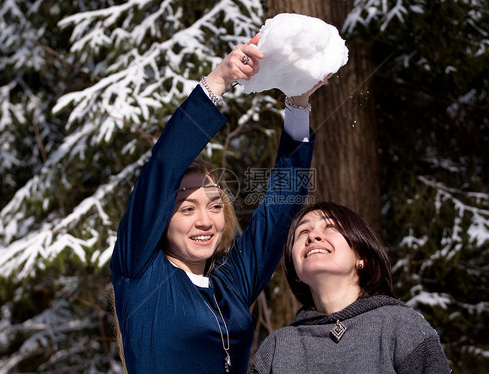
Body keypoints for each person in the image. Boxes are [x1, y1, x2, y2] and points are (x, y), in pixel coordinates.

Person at [110, 33, 328, 373]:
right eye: (187, 208)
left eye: (214, 206)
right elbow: (164, 167)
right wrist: (219, 80)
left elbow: (281, 208)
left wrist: (298, 103)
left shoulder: (231, 285)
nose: (205, 221)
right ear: (160, 220)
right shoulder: (140, 273)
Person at [250, 202, 451, 374]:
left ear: (361, 256)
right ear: (295, 269)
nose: (313, 236)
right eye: (302, 232)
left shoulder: (401, 326)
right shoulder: (276, 349)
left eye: (330, 227)